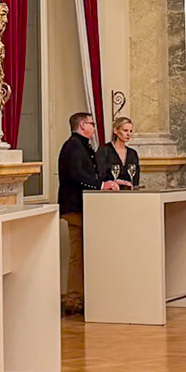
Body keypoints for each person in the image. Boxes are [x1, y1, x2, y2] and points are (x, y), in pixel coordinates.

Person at [57, 112, 129, 314]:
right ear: (82, 126)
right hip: (75, 206)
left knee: (84, 253)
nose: (94, 128)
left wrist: (112, 181)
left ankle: (84, 296)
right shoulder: (72, 146)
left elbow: (92, 174)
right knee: (77, 254)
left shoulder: (83, 147)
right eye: (91, 124)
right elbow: (77, 176)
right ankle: (73, 299)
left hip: (84, 205)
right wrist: (101, 184)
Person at [99, 116, 141, 188]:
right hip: (109, 191)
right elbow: (101, 174)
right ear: (115, 130)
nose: (128, 134)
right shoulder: (104, 150)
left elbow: (135, 178)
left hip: (129, 193)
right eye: (125, 130)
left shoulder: (132, 153)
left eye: (130, 131)